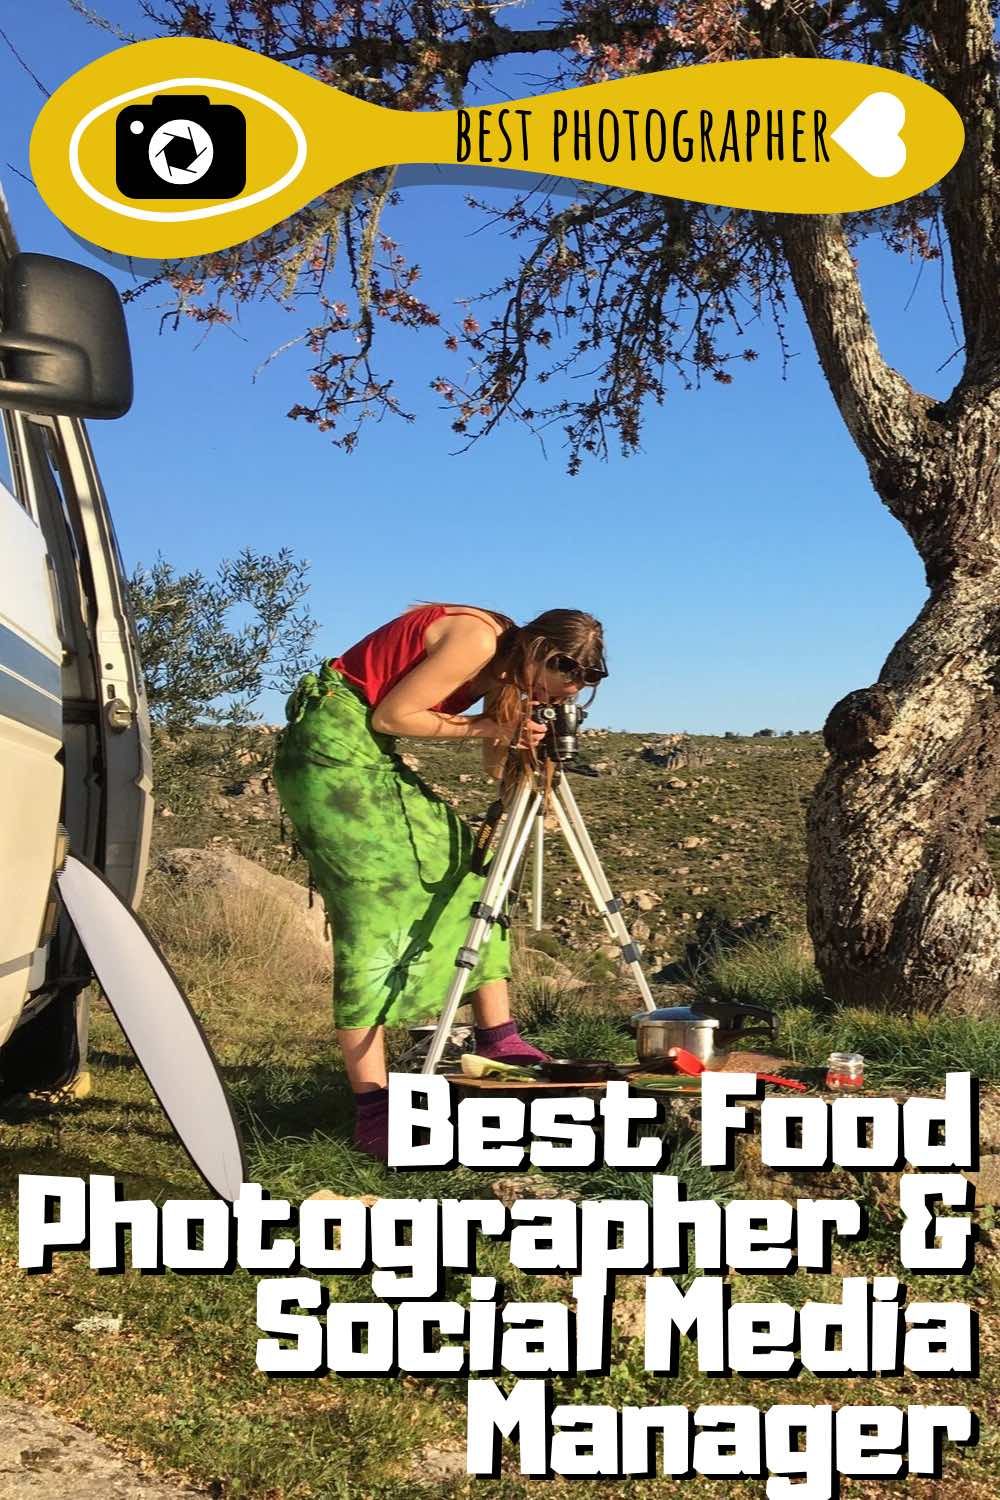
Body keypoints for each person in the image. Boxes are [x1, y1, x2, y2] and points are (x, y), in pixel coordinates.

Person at [272, 601, 608, 1159]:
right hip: (329, 756)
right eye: (554, 689)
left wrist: (522, 750)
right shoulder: (477, 640)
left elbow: (490, 761)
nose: (552, 702)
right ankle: (374, 1109)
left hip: (366, 756)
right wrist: (494, 723)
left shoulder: (506, 667)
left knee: (465, 868)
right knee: (373, 915)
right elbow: (393, 716)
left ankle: (499, 1040)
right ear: (543, 654)